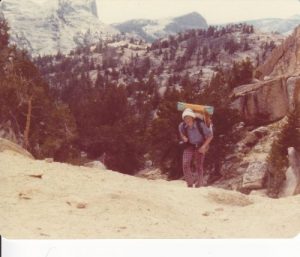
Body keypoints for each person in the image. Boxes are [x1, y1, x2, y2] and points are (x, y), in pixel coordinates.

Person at [178, 108, 213, 188]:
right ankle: (190, 184)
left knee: (199, 165)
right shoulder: (182, 126)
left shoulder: (200, 125)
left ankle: (199, 184)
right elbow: (181, 133)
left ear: (192, 117)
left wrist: (204, 146)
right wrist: (183, 137)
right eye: (185, 118)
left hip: (201, 145)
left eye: (188, 117)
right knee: (185, 164)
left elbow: (210, 136)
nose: (187, 120)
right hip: (189, 145)